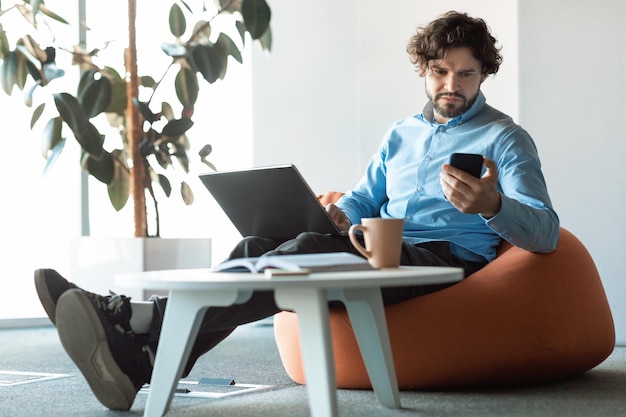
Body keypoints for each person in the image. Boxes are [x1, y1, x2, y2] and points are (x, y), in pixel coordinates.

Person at [35, 10, 559, 411]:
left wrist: (493, 205)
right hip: (381, 248)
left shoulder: (506, 139)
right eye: (441, 72)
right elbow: (363, 197)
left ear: (483, 73)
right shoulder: (401, 133)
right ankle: (141, 360)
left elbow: (546, 232)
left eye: (466, 75)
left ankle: (135, 317)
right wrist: (337, 214)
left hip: (447, 261)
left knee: (303, 253)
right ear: (424, 69)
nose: (451, 86)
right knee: (256, 247)